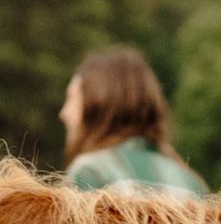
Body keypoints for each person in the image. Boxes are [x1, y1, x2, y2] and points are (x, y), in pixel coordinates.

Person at [60, 46, 207, 199]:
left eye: (72, 99)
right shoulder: (192, 183)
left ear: (97, 104)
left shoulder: (90, 172)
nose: (64, 113)